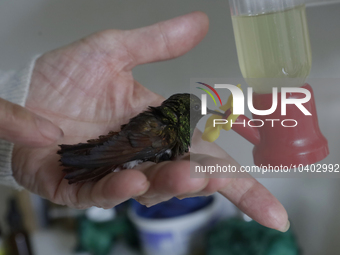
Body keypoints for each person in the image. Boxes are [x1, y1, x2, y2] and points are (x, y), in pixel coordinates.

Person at [0, 12, 289, 232]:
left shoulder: (171, 129)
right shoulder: (162, 130)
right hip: (123, 150)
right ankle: (81, 159)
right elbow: (125, 149)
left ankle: (82, 159)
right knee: (110, 158)